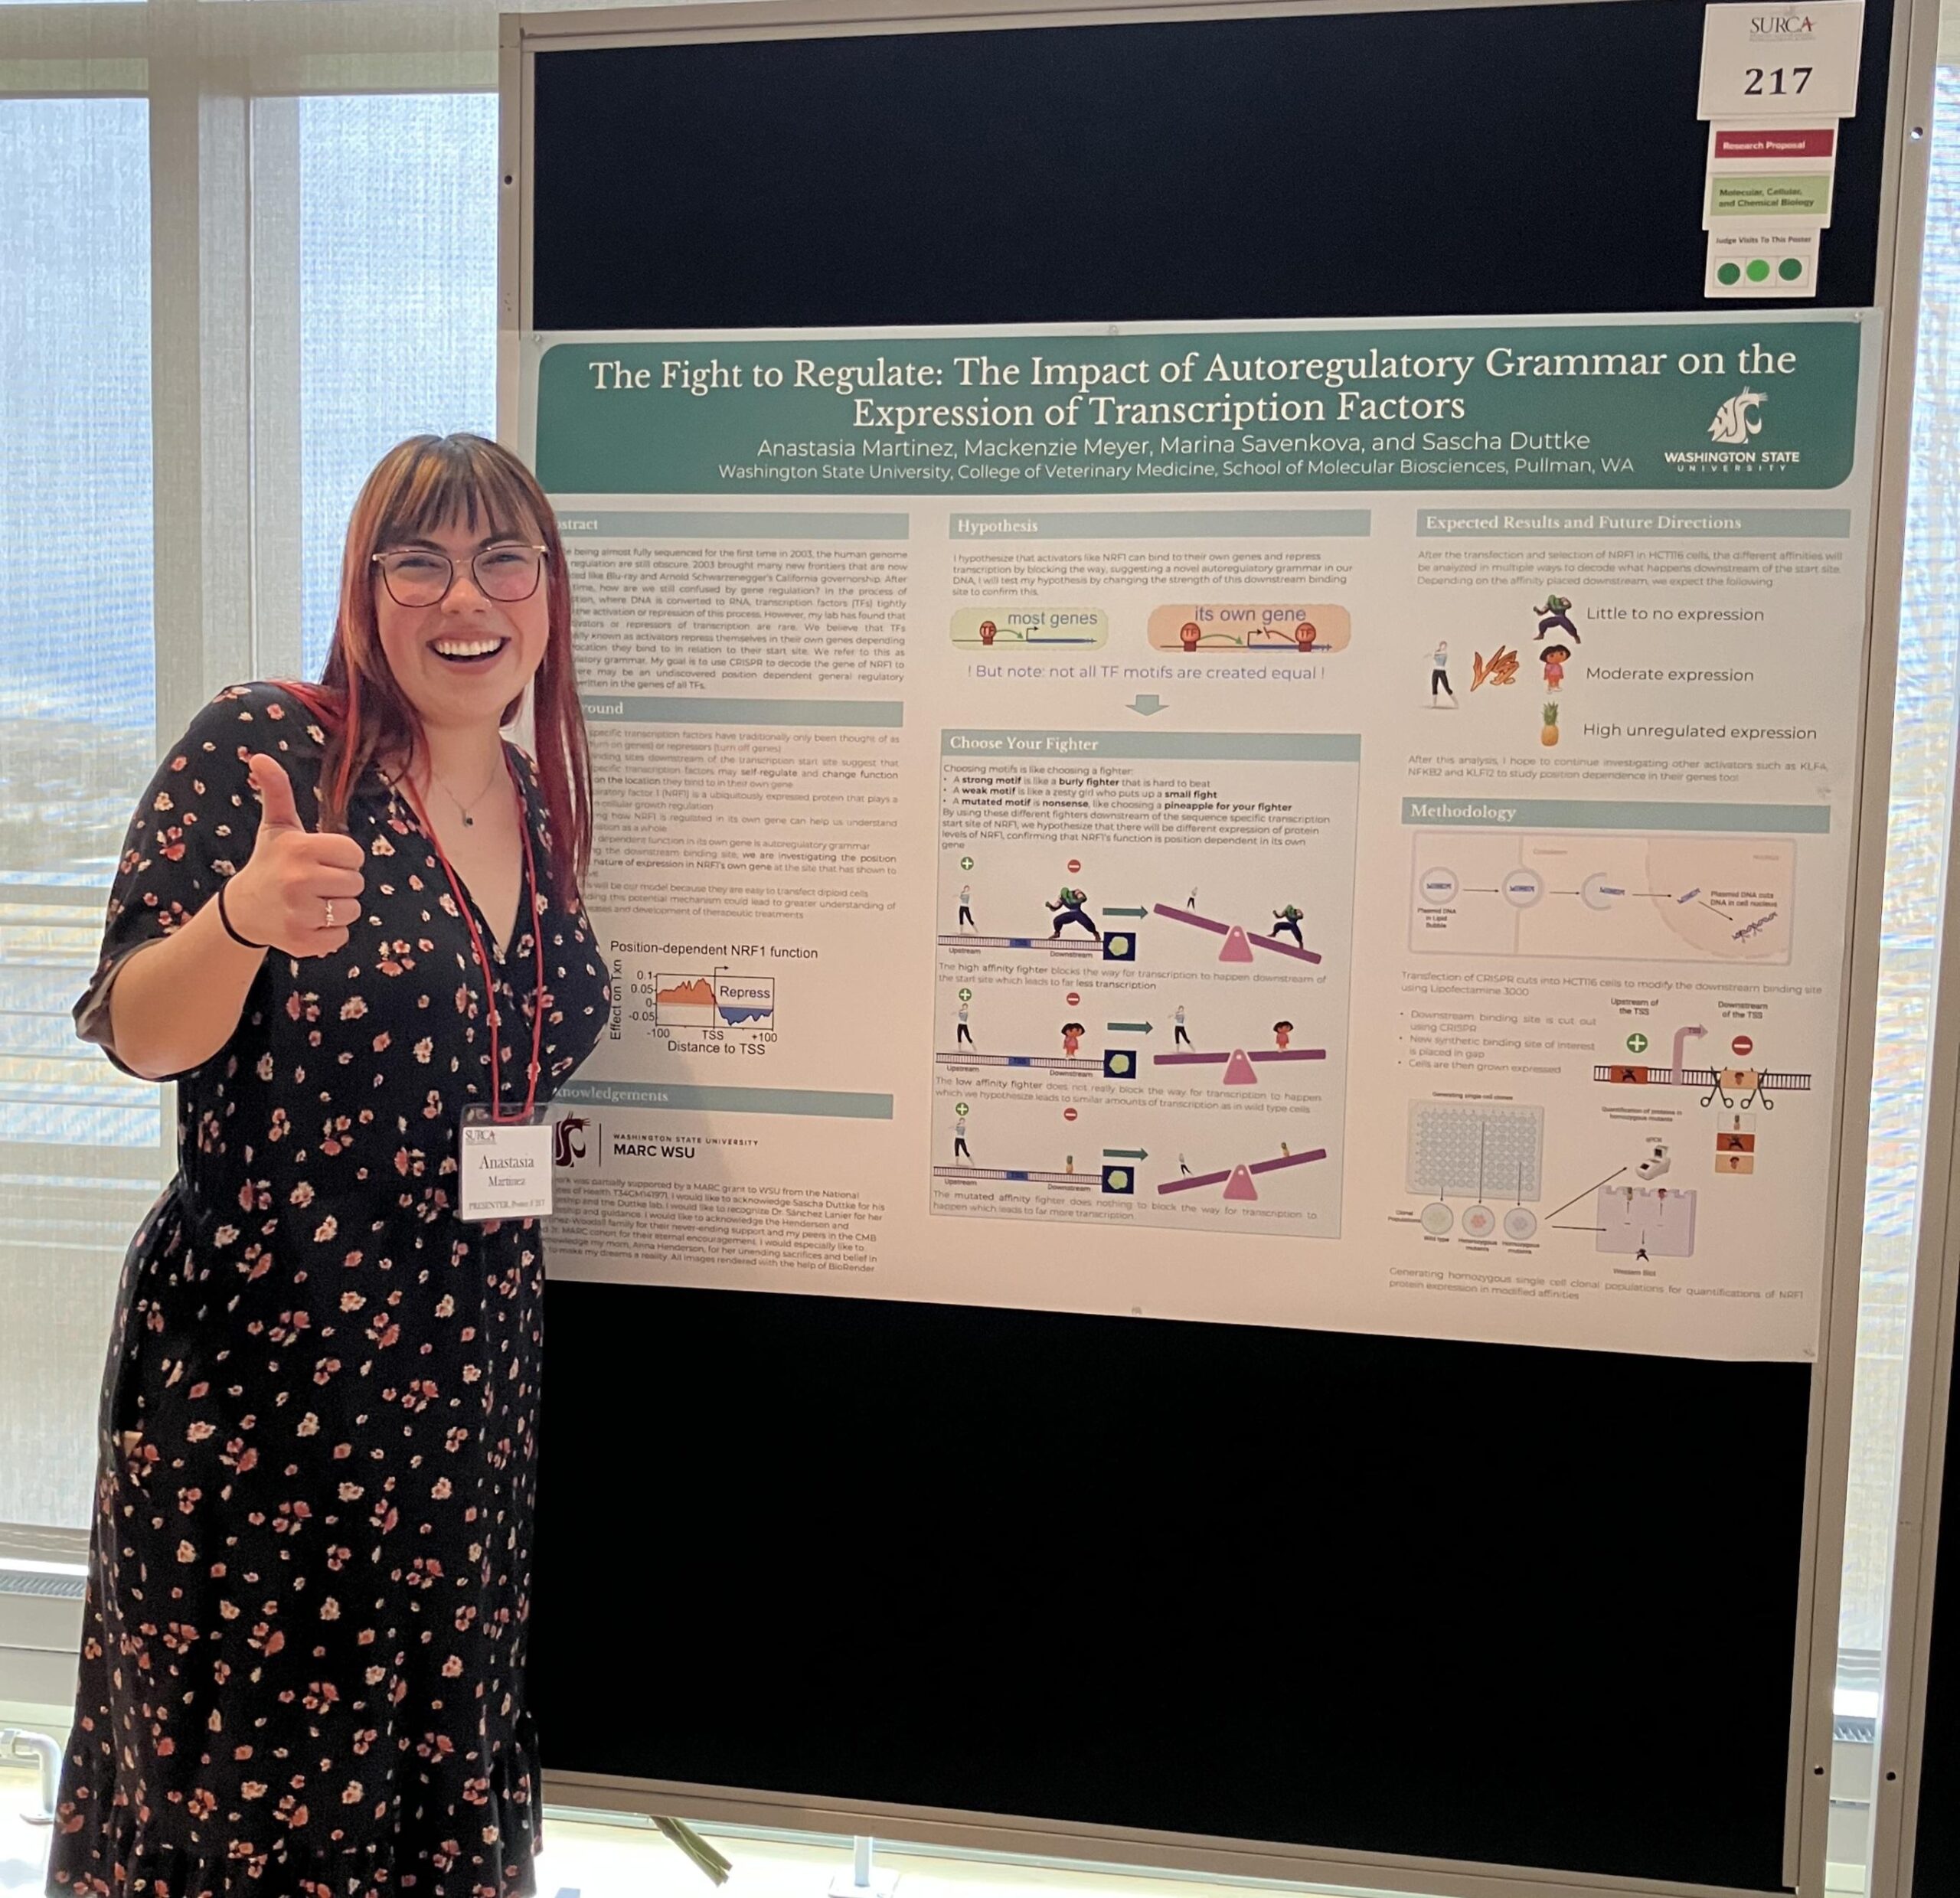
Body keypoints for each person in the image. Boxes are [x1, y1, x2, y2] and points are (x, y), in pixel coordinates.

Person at [49, 435, 611, 1898]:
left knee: (427, 1744)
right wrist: (241, 917)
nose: (461, 597)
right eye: (415, 561)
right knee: (247, 1775)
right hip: (264, 1376)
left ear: (546, 593)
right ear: (366, 589)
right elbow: (135, 1032)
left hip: (469, 1367)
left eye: (501, 559)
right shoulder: (276, 748)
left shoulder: (536, 801)